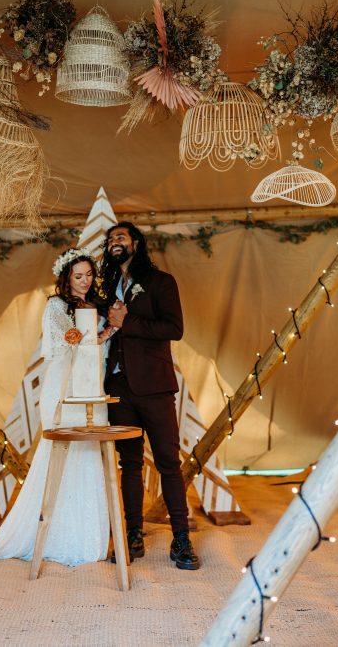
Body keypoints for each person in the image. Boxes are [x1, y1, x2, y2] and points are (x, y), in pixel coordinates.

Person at [0, 248, 117, 569]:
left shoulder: (95, 305)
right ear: (66, 278)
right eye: (78, 276)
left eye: (89, 275)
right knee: (60, 456)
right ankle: (49, 534)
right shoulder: (56, 306)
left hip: (89, 386)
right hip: (62, 386)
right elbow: (64, 341)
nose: (84, 281)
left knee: (89, 453)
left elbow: (94, 343)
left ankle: (85, 537)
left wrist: (110, 326)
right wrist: (88, 324)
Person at [101, 222, 200, 570]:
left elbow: (174, 328)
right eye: (110, 238)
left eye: (121, 237)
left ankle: (181, 541)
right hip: (118, 389)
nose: (114, 242)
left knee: (168, 464)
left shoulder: (161, 282)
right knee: (128, 464)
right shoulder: (106, 287)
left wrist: (127, 322)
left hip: (156, 387)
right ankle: (133, 535)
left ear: (137, 243)